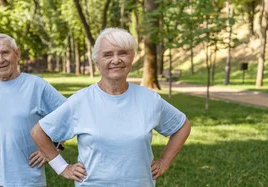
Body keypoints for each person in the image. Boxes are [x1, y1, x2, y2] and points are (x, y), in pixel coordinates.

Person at [30, 28, 191, 186]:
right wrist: (62, 168)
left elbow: (182, 126)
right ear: (97, 62)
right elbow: (39, 132)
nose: (116, 60)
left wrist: (164, 162)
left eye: (123, 53)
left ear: (132, 57)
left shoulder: (149, 99)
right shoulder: (81, 100)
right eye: (107, 54)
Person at [0, 33, 66, 187]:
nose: (0, 60)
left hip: (29, 178)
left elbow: (68, 114)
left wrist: (54, 147)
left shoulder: (36, 85)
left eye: (5, 53)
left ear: (17, 54)